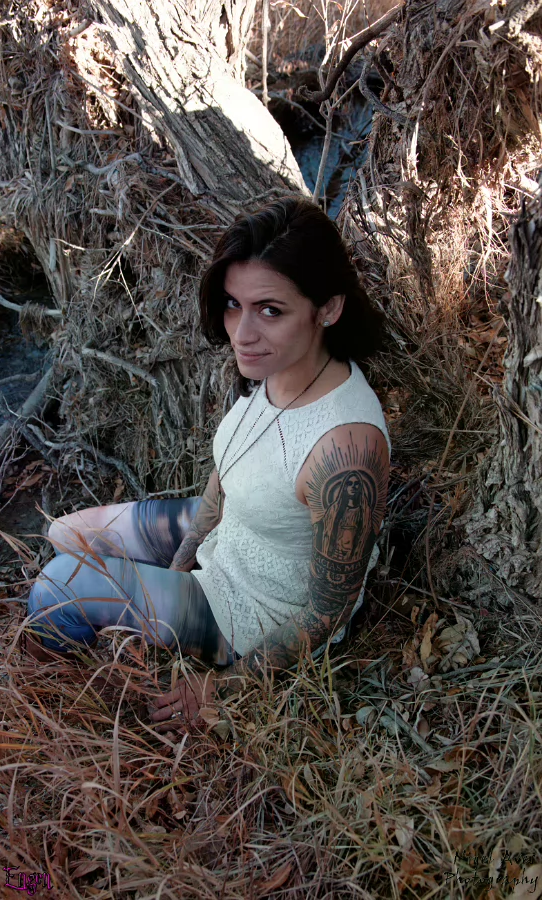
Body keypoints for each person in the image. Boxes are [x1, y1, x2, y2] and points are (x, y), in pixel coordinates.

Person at [25, 195, 391, 732]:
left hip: (251, 610)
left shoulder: (346, 449)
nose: (242, 333)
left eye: (270, 310)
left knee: (57, 589)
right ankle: (111, 644)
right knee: (65, 535)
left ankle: (55, 705)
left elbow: (327, 611)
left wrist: (223, 688)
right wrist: (178, 568)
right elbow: (226, 477)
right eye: (233, 304)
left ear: (328, 309)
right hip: (236, 532)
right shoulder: (278, 366)